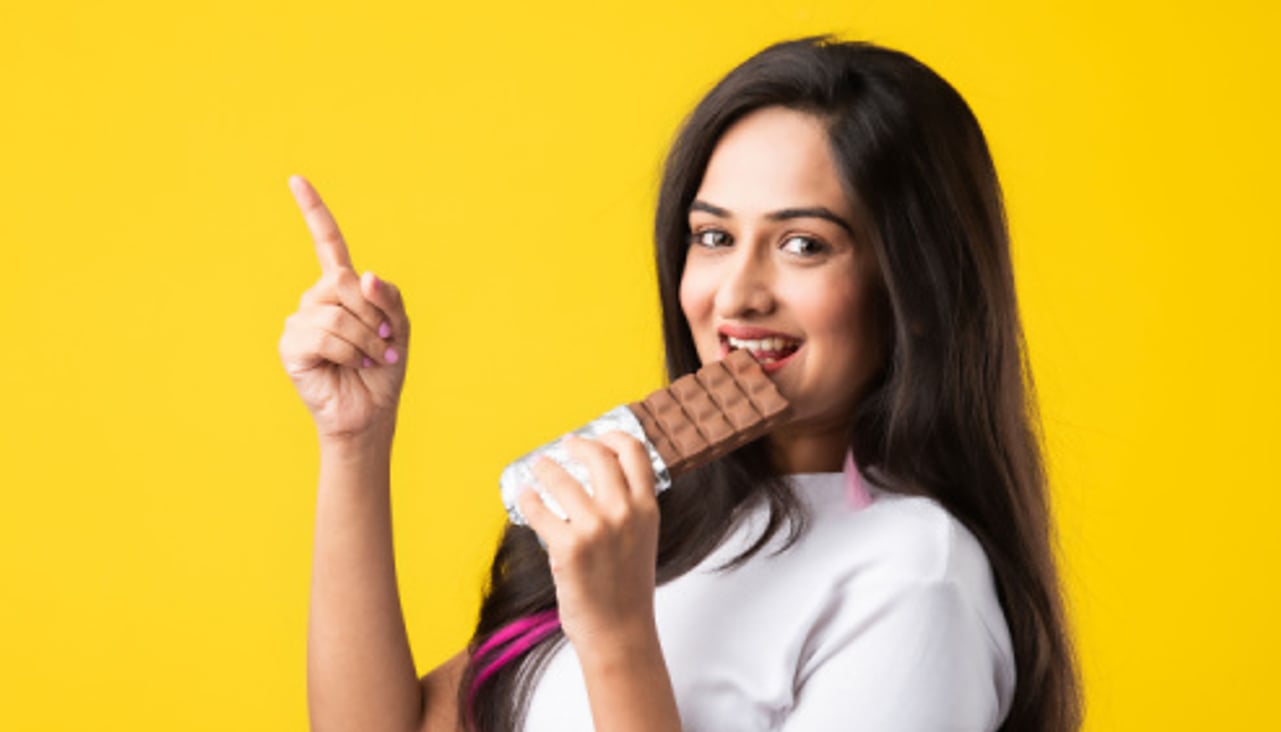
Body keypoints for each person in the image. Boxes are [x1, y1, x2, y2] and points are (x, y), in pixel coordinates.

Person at [279, 35, 1082, 732]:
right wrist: (355, 442)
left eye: (803, 244)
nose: (736, 294)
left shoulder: (917, 578)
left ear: (915, 286)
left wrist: (619, 633)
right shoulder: (667, 519)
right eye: (713, 236)